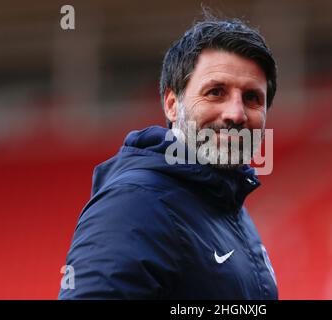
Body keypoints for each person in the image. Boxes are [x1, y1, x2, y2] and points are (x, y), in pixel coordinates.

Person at [59, 14, 278, 300]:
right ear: (173, 105)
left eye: (252, 98)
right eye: (215, 92)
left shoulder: (229, 208)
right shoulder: (134, 204)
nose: (236, 113)